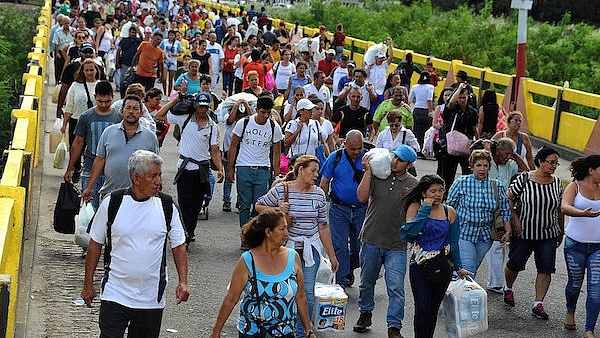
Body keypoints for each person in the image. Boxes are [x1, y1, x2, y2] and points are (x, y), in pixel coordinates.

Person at [81, 150, 189, 338]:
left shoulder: (167, 206)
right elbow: (95, 243)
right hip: (115, 292)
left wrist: (183, 281)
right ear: (136, 178)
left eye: (160, 175)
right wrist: (88, 284)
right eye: (153, 176)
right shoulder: (112, 203)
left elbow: (179, 245)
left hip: (150, 298)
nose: (158, 181)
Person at [255, 155, 339, 338]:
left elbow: (323, 226)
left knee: (306, 292)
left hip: (310, 250)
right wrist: (277, 210)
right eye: (313, 171)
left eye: (317, 171)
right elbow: (258, 206)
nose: (316, 175)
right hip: (286, 249)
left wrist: (332, 256)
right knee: (283, 290)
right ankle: (279, 327)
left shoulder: (318, 194)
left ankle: (302, 333)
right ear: (300, 170)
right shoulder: (281, 190)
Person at [209, 209, 316, 338]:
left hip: (285, 332)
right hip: (252, 332)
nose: (287, 234)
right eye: (282, 229)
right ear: (268, 232)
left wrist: (308, 330)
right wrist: (216, 331)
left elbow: (300, 297)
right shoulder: (248, 260)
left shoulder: (293, 257)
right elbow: (231, 298)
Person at [353, 145, 419, 338]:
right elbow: (361, 197)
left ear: (409, 164)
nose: (395, 161)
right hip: (371, 239)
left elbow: (412, 216)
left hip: (396, 245)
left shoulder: (413, 184)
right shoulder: (378, 174)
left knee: (396, 286)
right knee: (366, 282)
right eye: (395, 157)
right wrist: (367, 172)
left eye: (400, 160)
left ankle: (394, 327)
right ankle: (365, 313)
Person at [401, 174, 471, 338]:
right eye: (433, 191)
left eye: (440, 191)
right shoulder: (415, 207)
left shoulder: (449, 212)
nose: (438, 194)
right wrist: (425, 209)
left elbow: (454, 243)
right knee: (422, 307)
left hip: (442, 266)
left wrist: (459, 267)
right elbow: (409, 234)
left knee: (433, 309)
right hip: (419, 265)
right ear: (424, 193)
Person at [504, 146, 564, 320]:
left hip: (548, 234)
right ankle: (508, 288)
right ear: (540, 161)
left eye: (556, 163)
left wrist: (560, 230)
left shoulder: (557, 183)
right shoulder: (524, 178)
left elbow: (559, 209)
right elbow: (509, 197)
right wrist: (514, 219)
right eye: (550, 162)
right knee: (515, 264)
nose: (553, 166)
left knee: (545, 268)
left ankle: (538, 303)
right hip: (523, 232)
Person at [155, 92, 223, 243]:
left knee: (197, 205)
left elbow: (215, 150)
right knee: (185, 204)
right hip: (185, 169)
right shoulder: (184, 119)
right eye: (200, 106)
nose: (203, 109)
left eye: (206, 106)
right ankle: (184, 234)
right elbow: (159, 116)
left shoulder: (213, 127)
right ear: (195, 105)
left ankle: (190, 231)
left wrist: (220, 169)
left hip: (202, 170)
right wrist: (174, 101)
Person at [81, 95, 159, 203]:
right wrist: (89, 188)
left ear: (141, 114)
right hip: (110, 194)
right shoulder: (108, 132)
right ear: (121, 111)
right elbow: (99, 160)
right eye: (128, 108)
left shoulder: (150, 137)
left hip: (140, 196)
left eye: (135, 109)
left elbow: (155, 166)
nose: (131, 111)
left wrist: (157, 187)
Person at [446, 149, 512, 277]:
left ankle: (453, 290)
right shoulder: (461, 182)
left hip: (485, 236)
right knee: (468, 269)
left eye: (485, 165)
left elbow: (505, 210)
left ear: (489, 167)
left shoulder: (496, 185)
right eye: (478, 165)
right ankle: (466, 296)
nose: (482, 169)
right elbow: (449, 207)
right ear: (472, 166)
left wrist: (507, 231)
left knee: (471, 268)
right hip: (464, 233)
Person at [319, 130, 367, 288]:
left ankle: (349, 268)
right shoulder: (336, 157)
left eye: (359, 148)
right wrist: (318, 206)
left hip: (362, 210)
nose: (356, 152)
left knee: (360, 247)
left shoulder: (368, 159)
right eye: (352, 148)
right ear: (344, 144)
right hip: (339, 208)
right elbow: (324, 182)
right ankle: (341, 280)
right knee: (339, 245)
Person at [63, 81, 121, 211]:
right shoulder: (86, 117)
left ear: (113, 97)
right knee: (90, 209)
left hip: (112, 171)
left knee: (110, 209)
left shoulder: (119, 117)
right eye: (100, 101)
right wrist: (70, 168)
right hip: (90, 168)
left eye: (107, 101)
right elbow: (78, 143)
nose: (104, 105)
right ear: (95, 97)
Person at [228, 96, 283, 230]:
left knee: (259, 205)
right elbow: (233, 145)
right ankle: (245, 234)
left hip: (263, 169)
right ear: (256, 110)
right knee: (244, 204)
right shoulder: (244, 122)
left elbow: (276, 152)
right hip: (244, 167)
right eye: (263, 112)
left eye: (268, 113)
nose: (265, 115)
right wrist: (230, 168)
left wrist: (277, 175)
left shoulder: (274, 127)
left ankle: (253, 232)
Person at [561, 155, 600, 337]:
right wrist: (582, 213)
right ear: (591, 170)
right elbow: (564, 207)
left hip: (598, 248)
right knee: (575, 284)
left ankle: (589, 329)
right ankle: (570, 311)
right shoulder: (574, 186)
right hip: (575, 244)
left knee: (596, 288)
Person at [483, 137, 527, 293]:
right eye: (506, 153)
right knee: (478, 247)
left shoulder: (510, 165)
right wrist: (488, 149)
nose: (508, 157)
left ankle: (495, 282)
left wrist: (514, 155)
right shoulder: (487, 161)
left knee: (498, 246)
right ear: (497, 150)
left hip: (501, 211)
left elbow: (526, 171)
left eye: (511, 154)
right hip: (482, 209)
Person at [61, 58, 101, 183]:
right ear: (82, 71)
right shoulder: (75, 86)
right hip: (76, 121)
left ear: (96, 71)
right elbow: (70, 106)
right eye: (87, 70)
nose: (89, 73)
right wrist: (64, 124)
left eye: (91, 70)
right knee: (75, 148)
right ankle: (77, 168)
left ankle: (90, 172)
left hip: (93, 123)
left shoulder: (100, 85)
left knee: (91, 150)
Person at [438, 83, 479, 190]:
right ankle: (446, 194)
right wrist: (460, 87)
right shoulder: (452, 110)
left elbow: (474, 129)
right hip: (450, 147)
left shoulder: (472, 112)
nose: (461, 100)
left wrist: (478, 142)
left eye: (464, 97)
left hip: (466, 146)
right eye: (459, 97)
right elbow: (451, 102)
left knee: (468, 172)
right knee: (448, 175)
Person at [366, 37, 393, 115]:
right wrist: (368, 68)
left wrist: (390, 45)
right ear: (375, 58)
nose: (381, 60)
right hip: (370, 91)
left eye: (382, 58)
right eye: (380, 58)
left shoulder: (384, 65)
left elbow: (391, 58)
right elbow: (366, 76)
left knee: (378, 112)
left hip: (380, 92)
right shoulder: (370, 65)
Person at [408, 71, 434, 150]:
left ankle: (416, 148)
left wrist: (409, 110)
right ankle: (424, 148)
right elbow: (429, 100)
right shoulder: (430, 87)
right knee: (425, 131)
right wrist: (430, 111)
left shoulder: (415, 87)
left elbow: (409, 100)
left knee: (416, 129)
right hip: (425, 110)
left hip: (417, 110)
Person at [159, 29, 183, 95]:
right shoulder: (164, 42)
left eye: (172, 35)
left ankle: (169, 94)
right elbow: (159, 49)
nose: (171, 37)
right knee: (164, 78)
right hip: (165, 61)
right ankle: (164, 93)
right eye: (170, 35)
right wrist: (163, 55)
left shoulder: (177, 43)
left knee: (170, 79)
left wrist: (176, 55)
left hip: (173, 62)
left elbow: (181, 52)